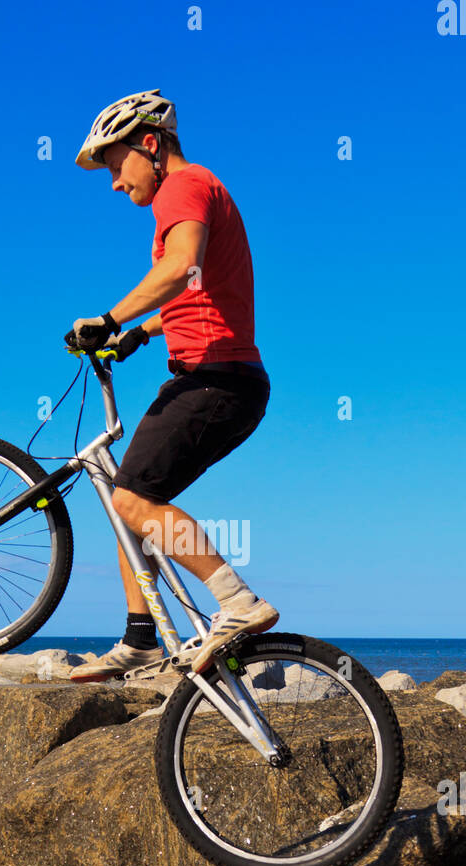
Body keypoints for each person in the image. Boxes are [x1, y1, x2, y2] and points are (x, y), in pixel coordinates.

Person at [64, 89, 278, 683]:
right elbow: (198, 287)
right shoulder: (200, 191)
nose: (112, 182)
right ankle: (140, 640)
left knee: (131, 498)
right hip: (221, 379)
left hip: (217, 381)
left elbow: (180, 265)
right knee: (129, 498)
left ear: (150, 145)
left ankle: (237, 602)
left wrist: (110, 319)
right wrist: (143, 334)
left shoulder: (183, 188)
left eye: (114, 165)